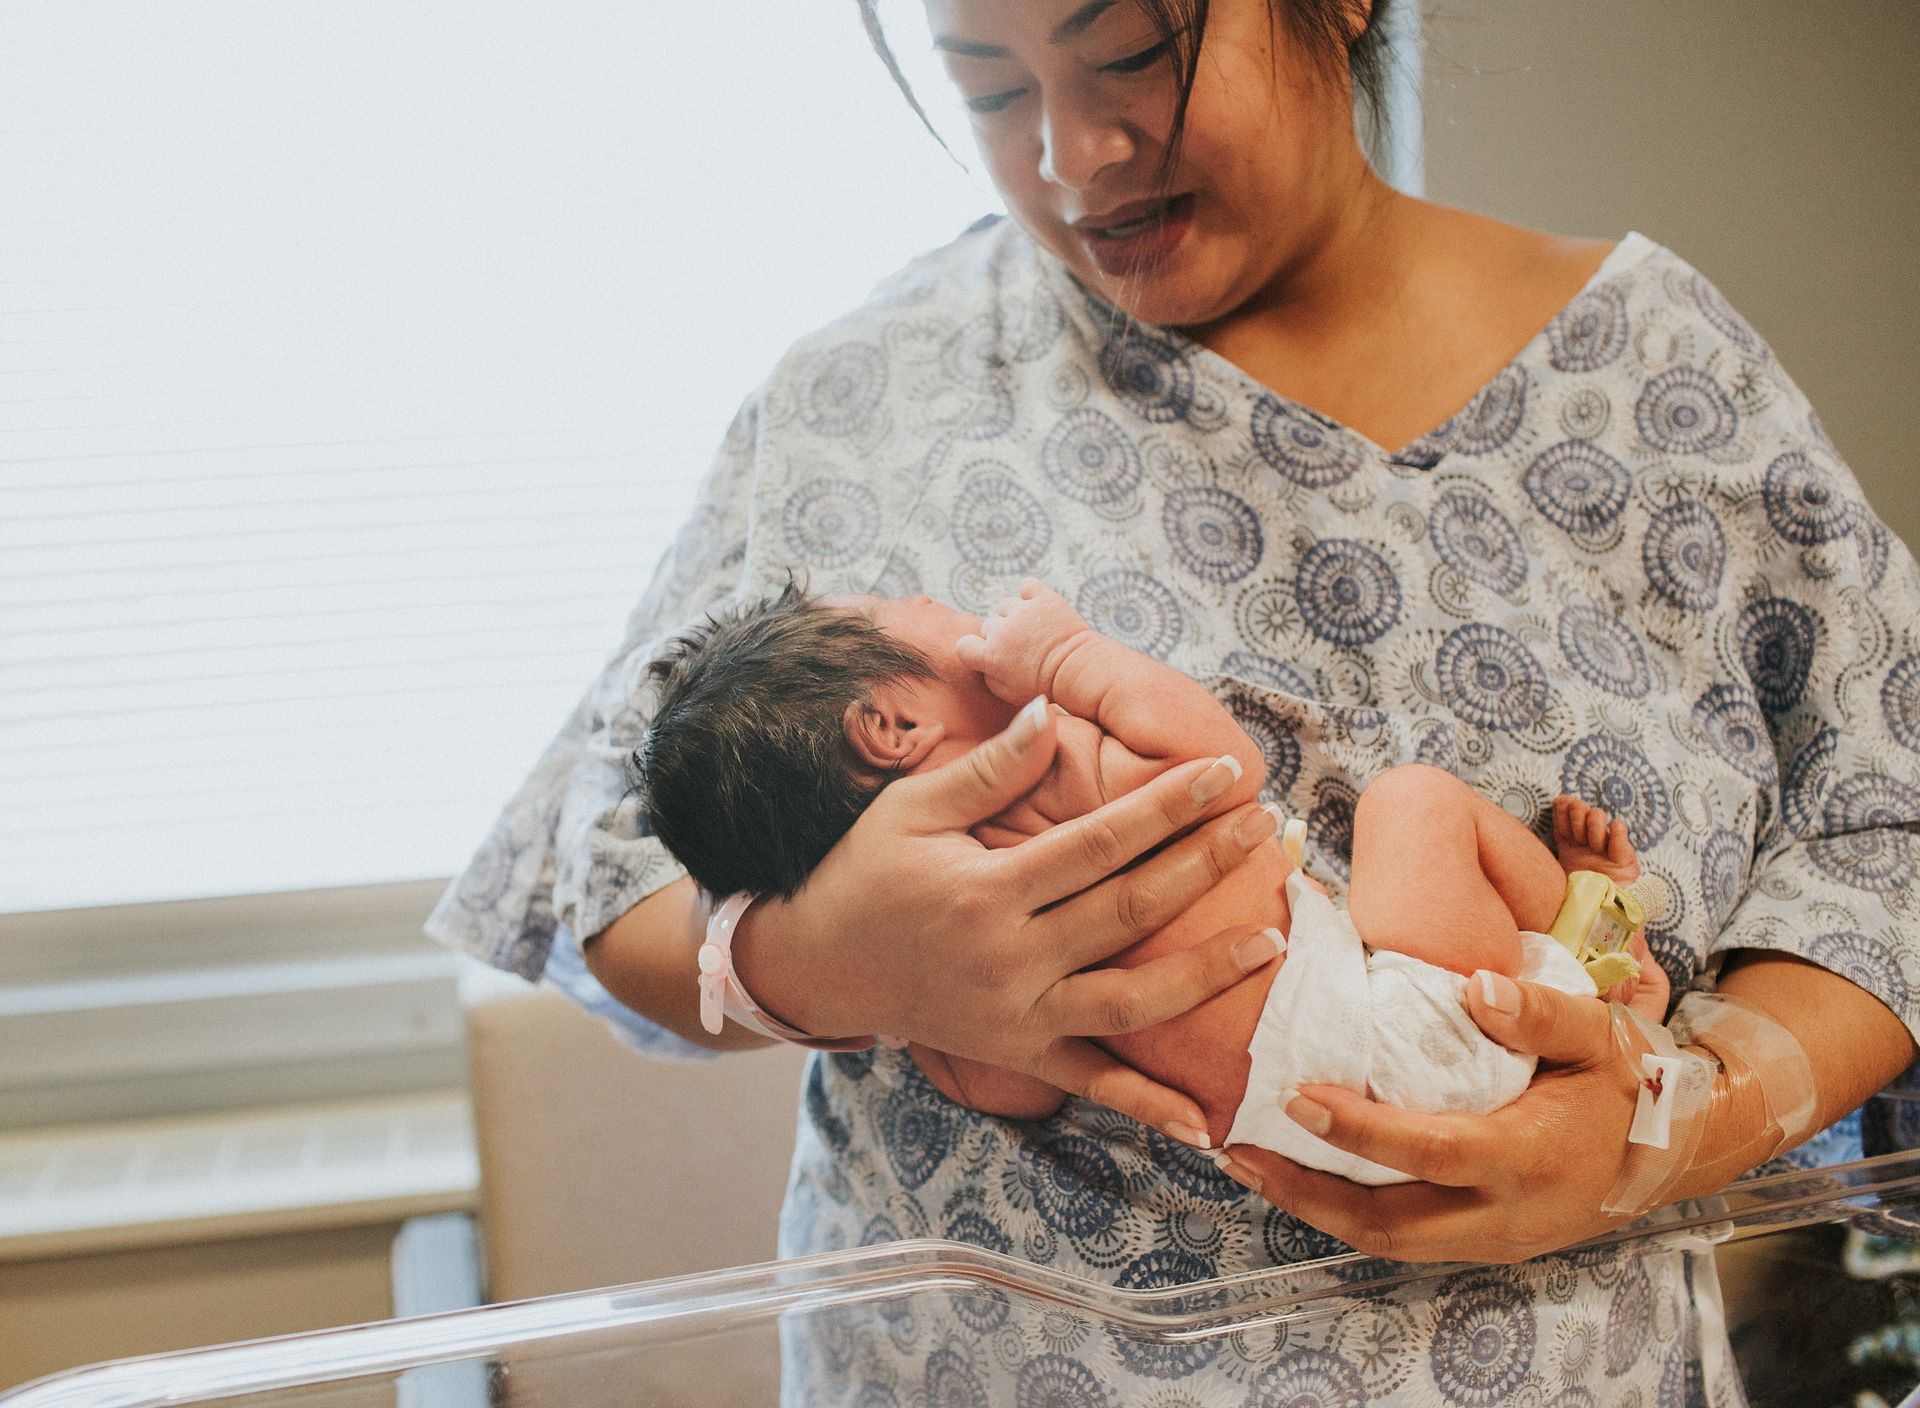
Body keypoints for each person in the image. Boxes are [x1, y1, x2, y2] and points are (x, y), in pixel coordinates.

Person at [427, 0, 1920, 1397]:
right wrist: (830, 960)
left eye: (1131, 52)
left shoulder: (1660, 381)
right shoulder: (868, 400)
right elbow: (594, 883)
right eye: (991, 88)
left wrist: (1673, 1121)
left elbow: (1887, 827)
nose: (1072, 156)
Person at [638, 574, 1660, 1159]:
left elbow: (1022, 1090)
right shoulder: (1045, 770)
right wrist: (1073, 658)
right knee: (1416, 801)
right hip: (1405, 1035)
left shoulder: (939, 1004)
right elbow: (1223, 768)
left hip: (1324, 1144)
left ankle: (1582, 980)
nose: (935, 596)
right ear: (891, 724)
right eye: (911, 601)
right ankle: (1593, 935)